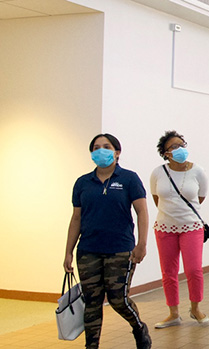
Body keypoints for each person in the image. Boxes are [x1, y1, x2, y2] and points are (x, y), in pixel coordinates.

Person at [63, 133, 152, 349]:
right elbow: (76, 218)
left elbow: (142, 212)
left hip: (120, 250)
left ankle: (139, 328)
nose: (100, 150)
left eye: (106, 146)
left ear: (117, 152)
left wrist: (141, 244)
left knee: (118, 300)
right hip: (88, 250)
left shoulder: (129, 179)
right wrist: (68, 251)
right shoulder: (83, 182)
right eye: (96, 147)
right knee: (92, 303)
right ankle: (91, 346)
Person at [150, 130, 209, 328]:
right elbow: (157, 199)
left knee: (193, 270)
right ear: (165, 153)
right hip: (164, 227)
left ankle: (195, 308)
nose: (180, 149)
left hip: (191, 226)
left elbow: (200, 197)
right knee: (169, 272)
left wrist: (183, 213)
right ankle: (173, 313)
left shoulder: (198, 171)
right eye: (174, 147)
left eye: (182, 144)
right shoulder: (158, 172)